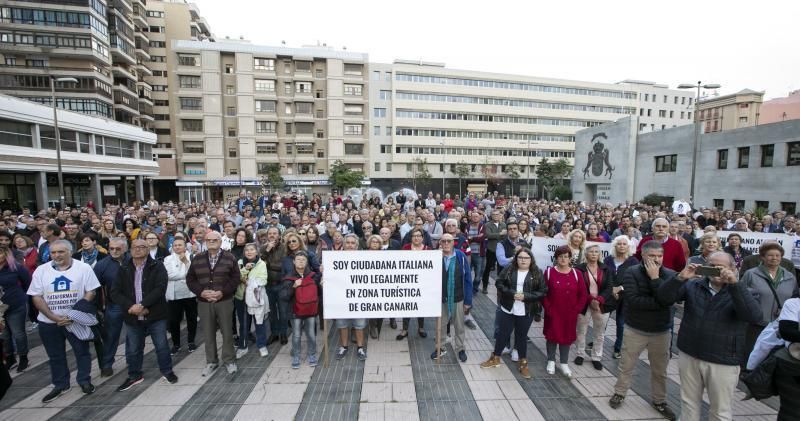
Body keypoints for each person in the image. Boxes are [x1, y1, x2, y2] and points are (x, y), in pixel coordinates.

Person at [657, 251, 760, 421]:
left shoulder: (744, 291)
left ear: (733, 269)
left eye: (721, 267)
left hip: (723, 359)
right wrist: (680, 278)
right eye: (711, 267)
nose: (716, 271)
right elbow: (663, 298)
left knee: (720, 410)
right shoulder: (694, 285)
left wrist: (735, 284)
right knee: (688, 403)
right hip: (690, 353)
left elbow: (753, 317)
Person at [609, 240, 677, 420]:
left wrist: (655, 279)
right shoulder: (632, 272)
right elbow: (634, 300)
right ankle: (620, 392)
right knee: (626, 365)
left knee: (660, 370)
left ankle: (659, 400)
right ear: (643, 255)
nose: (656, 259)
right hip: (635, 329)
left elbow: (670, 300)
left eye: (659, 256)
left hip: (661, 331)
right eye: (652, 256)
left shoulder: (670, 275)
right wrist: (660, 301)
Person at [27, 240, 100, 403]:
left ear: (70, 251)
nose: (56, 255)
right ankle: (60, 384)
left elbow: (91, 292)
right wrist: (53, 317)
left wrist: (73, 315)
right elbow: (36, 296)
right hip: (48, 322)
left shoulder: (84, 268)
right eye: (53, 252)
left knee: (82, 352)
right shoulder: (41, 270)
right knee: (55, 355)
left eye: (61, 252)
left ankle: (84, 380)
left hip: (75, 320)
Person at [111, 239, 177, 391]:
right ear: (130, 250)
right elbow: (115, 292)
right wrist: (131, 307)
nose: (138, 250)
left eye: (142, 247)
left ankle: (167, 371)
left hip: (155, 314)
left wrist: (143, 305)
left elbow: (160, 288)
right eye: (135, 247)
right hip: (132, 315)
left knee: (161, 345)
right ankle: (134, 374)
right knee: (134, 348)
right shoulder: (124, 268)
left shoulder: (157, 266)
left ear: (148, 249)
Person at [480, 247, 546, 378]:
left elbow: (542, 291)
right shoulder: (510, 269)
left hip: (526, 310)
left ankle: (523, 362)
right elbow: (499, 283)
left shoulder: (537, 272)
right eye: (520, 257)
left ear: (531, 259)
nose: (523, 260)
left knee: (521, 337)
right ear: (516, 259)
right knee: (502, 334)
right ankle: (495, 357)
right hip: (508, 308)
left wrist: (525, 296)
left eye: (526, 258)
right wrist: (512, 294)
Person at [186, 230, 241, 376]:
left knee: (227, 331)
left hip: (224, 300)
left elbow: (235, 278)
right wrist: (201, 292)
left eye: (214, 240)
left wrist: (223, 292)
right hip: (204, 302)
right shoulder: (197, 258)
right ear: (205, 242)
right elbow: (190, 279)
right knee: (208, 332)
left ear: (220, 242)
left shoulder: (230, 257)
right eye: (208, 240)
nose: (211, 242)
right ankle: (211, 361)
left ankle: (229, 360)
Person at [741, 242, 799, 368]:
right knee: (752, 355)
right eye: (770, 255)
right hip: (756, 323)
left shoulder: (790, 277)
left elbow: (794, 298)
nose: (774, 258)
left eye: (778, 255)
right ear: (762, 257)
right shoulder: (751, 274)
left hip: (780, 326)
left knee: (773, 357)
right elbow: (742, 296)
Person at [542, 245, 587, 379]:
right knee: (552, 336)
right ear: (556, 258)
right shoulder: (549, 272)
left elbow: (583, 295)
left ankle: (563, 363)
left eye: (566, 256)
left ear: (570, 258)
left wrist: (577, 309)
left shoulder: (577, 273)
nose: (563, 259)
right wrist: (548, 308)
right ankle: (551, 361)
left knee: (566, 337)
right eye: (560, 256)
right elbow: (543, 293)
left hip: (569, 313)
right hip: (553, 312)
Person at [574, 244, 615, 370]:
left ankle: (596, 357)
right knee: (581, 330)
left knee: (600, 332)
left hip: (601, 304)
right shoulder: (579, 269)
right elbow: (578, 287)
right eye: (591, 252)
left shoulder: (606, 269)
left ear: (600, 254)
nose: (593, 254)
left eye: (596, 252)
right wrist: (591, 299)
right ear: (586, 254)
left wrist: (599, 299)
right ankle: (580, 354)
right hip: (584, 304)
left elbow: (609, 287)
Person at [432, 233, 473, 362]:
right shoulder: (435, 256)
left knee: (459, 325)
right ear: (440, 243)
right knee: (441, 324)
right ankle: (440, 347)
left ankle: (460, 348)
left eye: (448, 241)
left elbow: (467, 279)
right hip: (442, 298)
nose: (446, 244)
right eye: (443, 241)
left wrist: (468, 301)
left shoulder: (460, 256)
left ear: (453, 242)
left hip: (458, 297)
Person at [604, 235, 639, 359]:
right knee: (603, 321)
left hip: (626, 296)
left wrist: (621, 288)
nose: (622, 246)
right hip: (609, 295)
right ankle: (598, 342)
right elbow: (604, 275)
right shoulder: (608, 259)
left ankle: (618, 348)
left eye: (624, 244)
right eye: (619, 244)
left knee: (621, 323)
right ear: (615, 246)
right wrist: (612, 288)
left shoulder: (633, 261)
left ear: (628, 246)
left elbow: (635, 279)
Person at [284, 251, 320, 368]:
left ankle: (312, 354)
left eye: (303, 260)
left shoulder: (314, 276)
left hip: (311, 310)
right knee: (297, 335)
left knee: (311, 334)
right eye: (298, 259)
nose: (300, 262)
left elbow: (319, 293)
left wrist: (322, 285)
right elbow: (284, 296)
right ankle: (296, 355)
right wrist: (293, 287)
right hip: (295, 311)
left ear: (307, 262)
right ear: (294, 262)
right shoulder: (288, 277)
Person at [335, 234, 368, 361]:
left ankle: (360, 347)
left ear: (357, 245)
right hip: (340, 297)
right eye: (347, 242)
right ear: (343, 245)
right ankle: (344, 346)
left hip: (359, 296)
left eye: (352, 243)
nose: (350, 245)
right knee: (342, 323)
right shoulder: (335, 258)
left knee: (359, 324)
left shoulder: (364, 259)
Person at [164, 237, 197, 354]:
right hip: (174, 295)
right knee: (174, 321)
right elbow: (169, 275)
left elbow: (194, 273)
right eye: (175, 245)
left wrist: (186, 263)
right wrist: (185, 275)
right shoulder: (168, 259)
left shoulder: (191, 257)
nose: (177, 247)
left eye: (180, 245)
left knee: (191, 319)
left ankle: (191, 341)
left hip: (189, 293)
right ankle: (176, 343)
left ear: (185, 246)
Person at [0, 246, 31, 372]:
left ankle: (23, 357)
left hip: (16, 304)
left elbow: (28, 282)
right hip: (0, 308)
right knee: (5, 335)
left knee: (18, 333)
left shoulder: (15, 267)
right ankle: (10, 357)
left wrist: (24, 297)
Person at [236, 243, 269, 358]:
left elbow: (263, 280)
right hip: (242, 297)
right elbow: (236, 276)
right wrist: (245, 269)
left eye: (252, 250)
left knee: (259, 322)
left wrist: (247, 281)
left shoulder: (261, 264)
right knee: (244, 323)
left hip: (256, 298)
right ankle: (243, 346)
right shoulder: (240, 263)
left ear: (256, 252)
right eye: (247, 250)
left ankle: (262, 345)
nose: (249, 252)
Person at [398, 228, 429, 341]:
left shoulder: (428, 250)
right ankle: (405, 329)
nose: (416, 238)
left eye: (418, 236)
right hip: (407, 283)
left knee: (421, 306)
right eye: (414, 236)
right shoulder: (405, 248)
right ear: (411, 238)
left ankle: (421, 328)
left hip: (422, 283)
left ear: (422, 238)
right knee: (407, 307)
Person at [482, 210, 506, 294]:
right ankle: (484, 286)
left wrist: (499, 235)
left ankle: (500, 288)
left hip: (502, 250)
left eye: (497, 214)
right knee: (487, 268)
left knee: (501, 269)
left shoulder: (503, 224)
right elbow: (488, 235)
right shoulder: (487, 224)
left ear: (500, 215)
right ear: (491, 216)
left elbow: (506, 235)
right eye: (494, 214)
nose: (496, 216)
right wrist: (500, 234)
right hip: (491, 249)